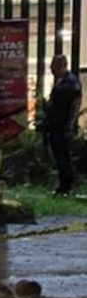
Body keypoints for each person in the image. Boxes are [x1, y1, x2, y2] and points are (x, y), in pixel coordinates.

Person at [45, 54, 82, 195]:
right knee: (59, 154)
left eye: (53, 66)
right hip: (56, 123)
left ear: (60, 66)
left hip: (62, 124)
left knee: (62, 154)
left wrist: (70, 124)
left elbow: (75, 103)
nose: (51, 69)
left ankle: (67, 184)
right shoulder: (62, 81)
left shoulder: (70, 82)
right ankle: (64, 183)